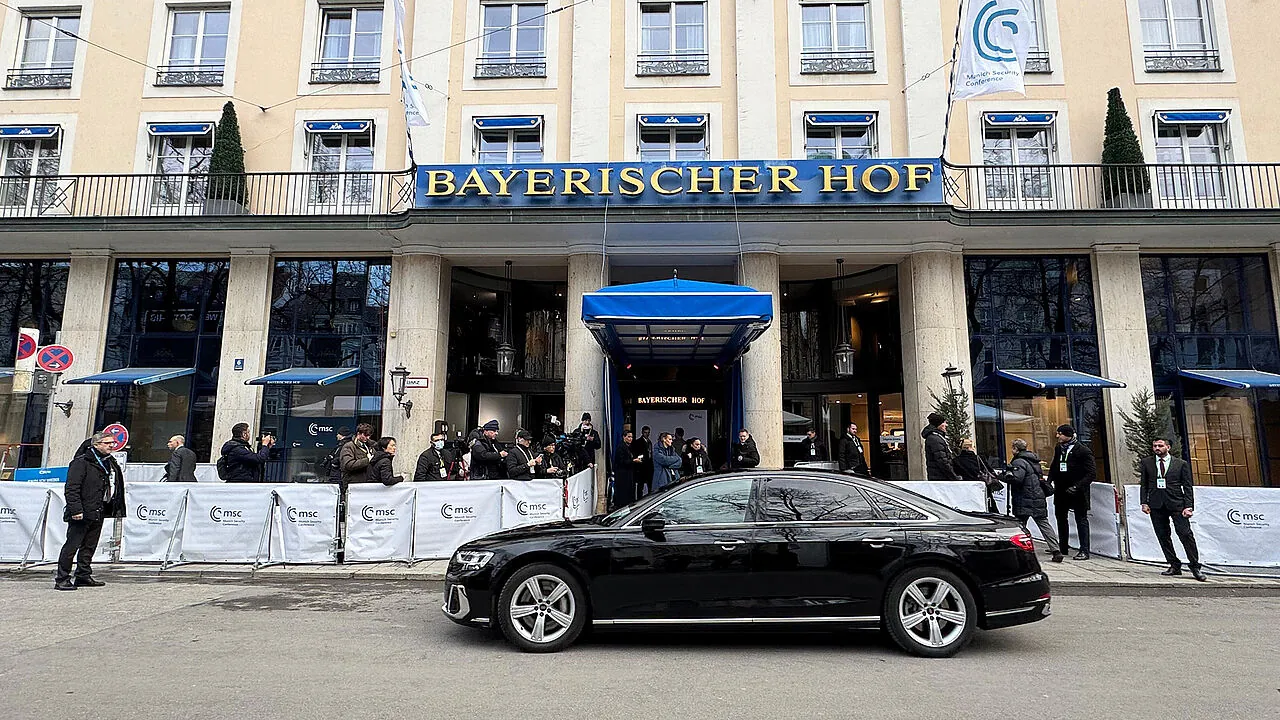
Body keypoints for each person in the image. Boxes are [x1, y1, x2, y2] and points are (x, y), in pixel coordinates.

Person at [56, 432, 125, 590]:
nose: (111, 445)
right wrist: (76, 509)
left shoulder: (108, 461)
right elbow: (72, 488)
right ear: (96, 445)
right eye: (107, 443)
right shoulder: (81, 462)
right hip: (82, 511)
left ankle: (83, 575)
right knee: (72, 545)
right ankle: (62, 578)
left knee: (89, 545)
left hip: (98, 509)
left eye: (112, 443)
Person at [1140, 438, 1205, 581]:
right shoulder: (1147, 463)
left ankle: (1195, 566)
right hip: (1157, 504)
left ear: (1168, 447)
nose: (1157, 448)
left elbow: (1187, 486)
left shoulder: (1180, 464)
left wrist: (1188, 506)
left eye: (1160, 445)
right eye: (1155, 445)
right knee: (1163, 535)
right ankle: (1174, 564)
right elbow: (1144, 484)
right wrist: (1144, 502)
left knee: (1185, 534)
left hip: (1176, 504)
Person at [1007, 438, 1061, 562]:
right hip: (1038, 496)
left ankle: (1019, 551)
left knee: (1020, 526)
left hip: (1024, 498)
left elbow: (1017, 479)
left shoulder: (1019, 462)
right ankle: (1056, 550)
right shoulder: (1034, 460)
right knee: (1044, 524)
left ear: (1015, 449)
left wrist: (1005, 477)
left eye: (1013, 448)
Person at [1048, 424, 1095, 561]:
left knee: (1081, 519)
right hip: (1061, 488)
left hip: (1077, 490)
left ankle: (1084, 550)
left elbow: (1091, 473)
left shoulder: (1083, 450)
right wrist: (1049, 480)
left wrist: (1078, 486)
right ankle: (1063, 546)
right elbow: (1055, 465)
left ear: (1068, 435)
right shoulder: (1059, 448)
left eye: (1060, 433)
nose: (1058, 436)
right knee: (1061, 517)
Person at [922, 413, 961, 481]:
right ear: (939, 424)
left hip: (940, 476)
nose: (946, 425)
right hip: (941, 477)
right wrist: (954, 477)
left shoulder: (936, 438)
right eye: (944, 422)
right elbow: (942, 461)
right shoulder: (935, 439)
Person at [613, 429, 641, 508]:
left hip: (628, 474)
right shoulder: (621, 447)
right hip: (623, 476)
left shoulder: (628, 447)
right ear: (624, 437)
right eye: (628, 437)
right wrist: (633, 460)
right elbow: (621, 461)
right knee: (623, 495)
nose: (630, 439)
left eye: (631, 437)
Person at [632, 426, 654, 496]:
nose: (647, 434)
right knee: (640, 486)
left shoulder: (649, 442)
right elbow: (636, 453)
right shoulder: (638, 442)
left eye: (648, 433)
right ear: (642, 432)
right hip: (641, 466)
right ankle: (639, 500)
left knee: (650, 485)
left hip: (649, 466)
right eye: (645, 433)